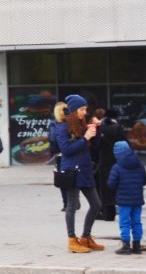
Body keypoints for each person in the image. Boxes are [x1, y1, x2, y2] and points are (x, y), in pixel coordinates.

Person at [52, 94, 104, 253]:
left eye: (85, 109)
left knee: (96, 204)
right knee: (72, 205)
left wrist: (96, 130)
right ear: (74, 110)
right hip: (72, 170)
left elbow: (94, 147)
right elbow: (66, 150)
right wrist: (85, 138)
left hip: (85, 170)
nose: (85, 112)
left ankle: (86, 237)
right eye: (82, 109)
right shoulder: (62, 127)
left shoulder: (82, 124)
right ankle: (72, 239)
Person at [107, 140, 146, 255]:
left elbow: (111, 184)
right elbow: (144, 181)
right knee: (137, 222)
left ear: (117, 154)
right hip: (137, 199)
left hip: (123, 201)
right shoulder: (139, 164)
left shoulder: (117, 167)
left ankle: (125, 246)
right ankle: (137, 246)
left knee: (124, 222)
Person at [94, 108, 126, 220]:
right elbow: (125, 145)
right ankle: (123, 211)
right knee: (118, 186)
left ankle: (108, 213)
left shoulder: (100, 128)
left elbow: (95, 146)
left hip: (103, 162)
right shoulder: (118, 128)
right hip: (117, 161)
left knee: (105, 187)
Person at [49, 100, 68, 212]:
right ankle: (74, 199)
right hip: (71, 154)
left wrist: (54, 151)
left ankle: (66, 203)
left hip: (60, 154)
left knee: (62, 178)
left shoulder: (54, 123)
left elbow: (52, 138)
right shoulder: (71, 122)